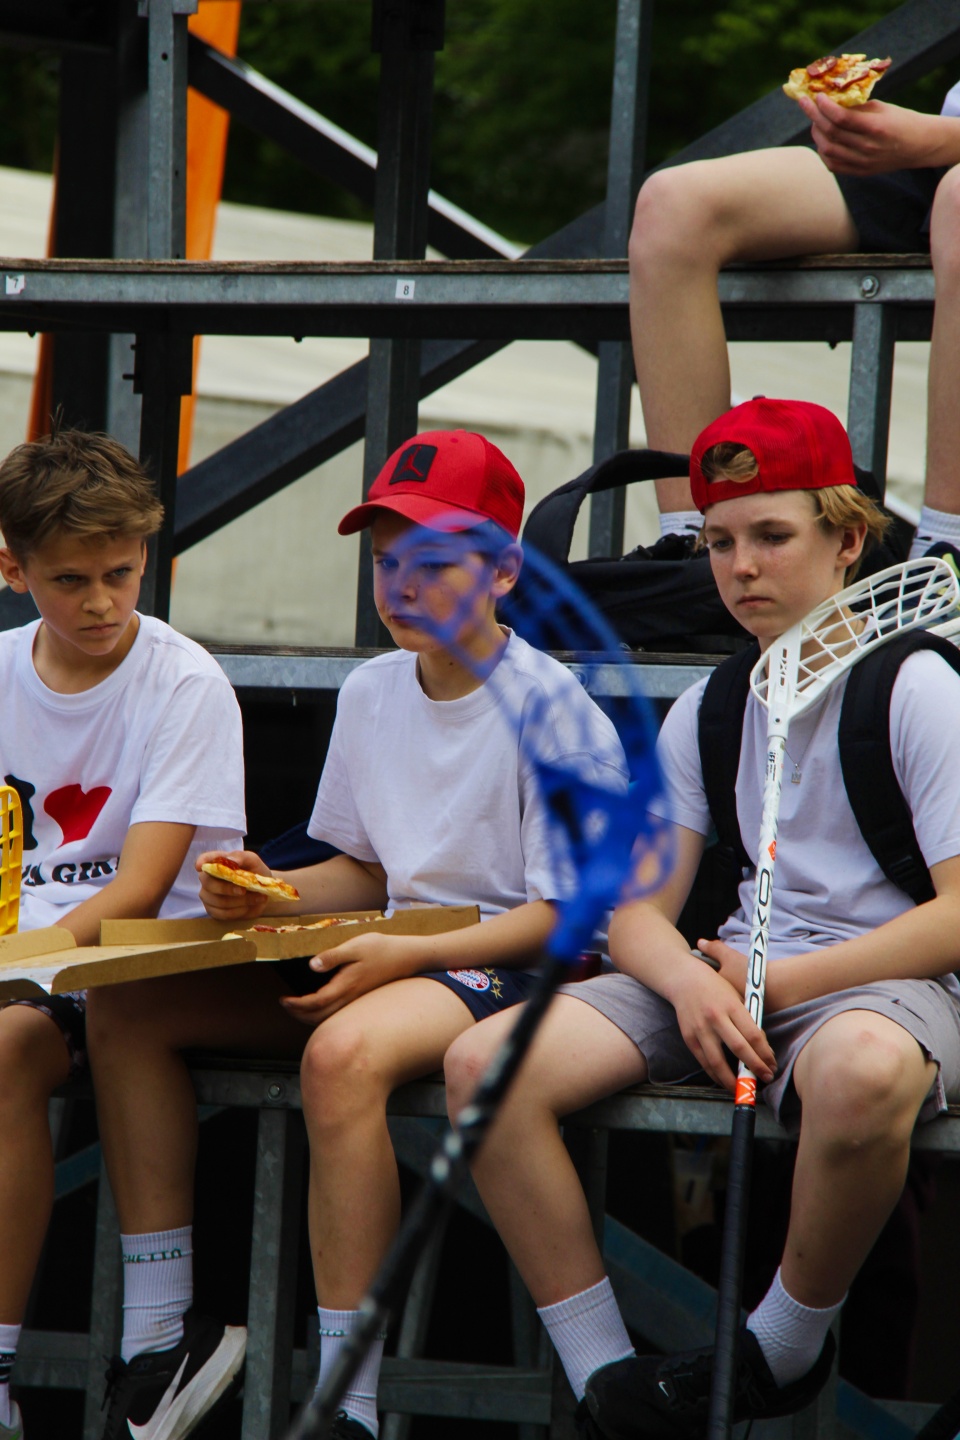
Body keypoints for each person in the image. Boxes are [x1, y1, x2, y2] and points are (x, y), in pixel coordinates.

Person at [85, 428, 628, 1440]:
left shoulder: (554, 708)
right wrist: (271, 893)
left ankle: (350, 1404)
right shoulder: (374, 689)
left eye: (435, 561)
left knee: (340, 1057)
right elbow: (368, 869)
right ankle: (161, 1337)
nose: (402, 585)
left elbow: (568, 919)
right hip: (394, 955)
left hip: (512, 967)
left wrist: (402, 953)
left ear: (506, 571)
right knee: (126, 1005)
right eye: (385, 561)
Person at [444, 398, 960, 1438]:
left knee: (863, 1073)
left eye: (773, 535)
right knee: (482, 1066)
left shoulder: (918, 687)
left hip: (884, 985)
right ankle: (611, 1386)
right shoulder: (712, 705)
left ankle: (779, 1352)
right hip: (726, 977)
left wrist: (777, 982)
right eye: (721, 541)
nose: (742, 566)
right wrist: (686, 980)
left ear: (848, 540)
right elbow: (636, 910)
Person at [0, 428, 246, 1440]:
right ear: (11, 569)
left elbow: (140, 891)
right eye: (71, 580)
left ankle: (27, 1363)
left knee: (10, 1042)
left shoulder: (183, 682)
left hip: (136, 962)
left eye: (121, 574)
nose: (101, 602)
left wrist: (15, 965)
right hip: (27, 964)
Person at [629, 75, 960, 559]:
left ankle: (945, 550)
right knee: (671, 204)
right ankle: (696, 542)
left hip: (946, 155)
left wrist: (935, 138)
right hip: (937, 152)